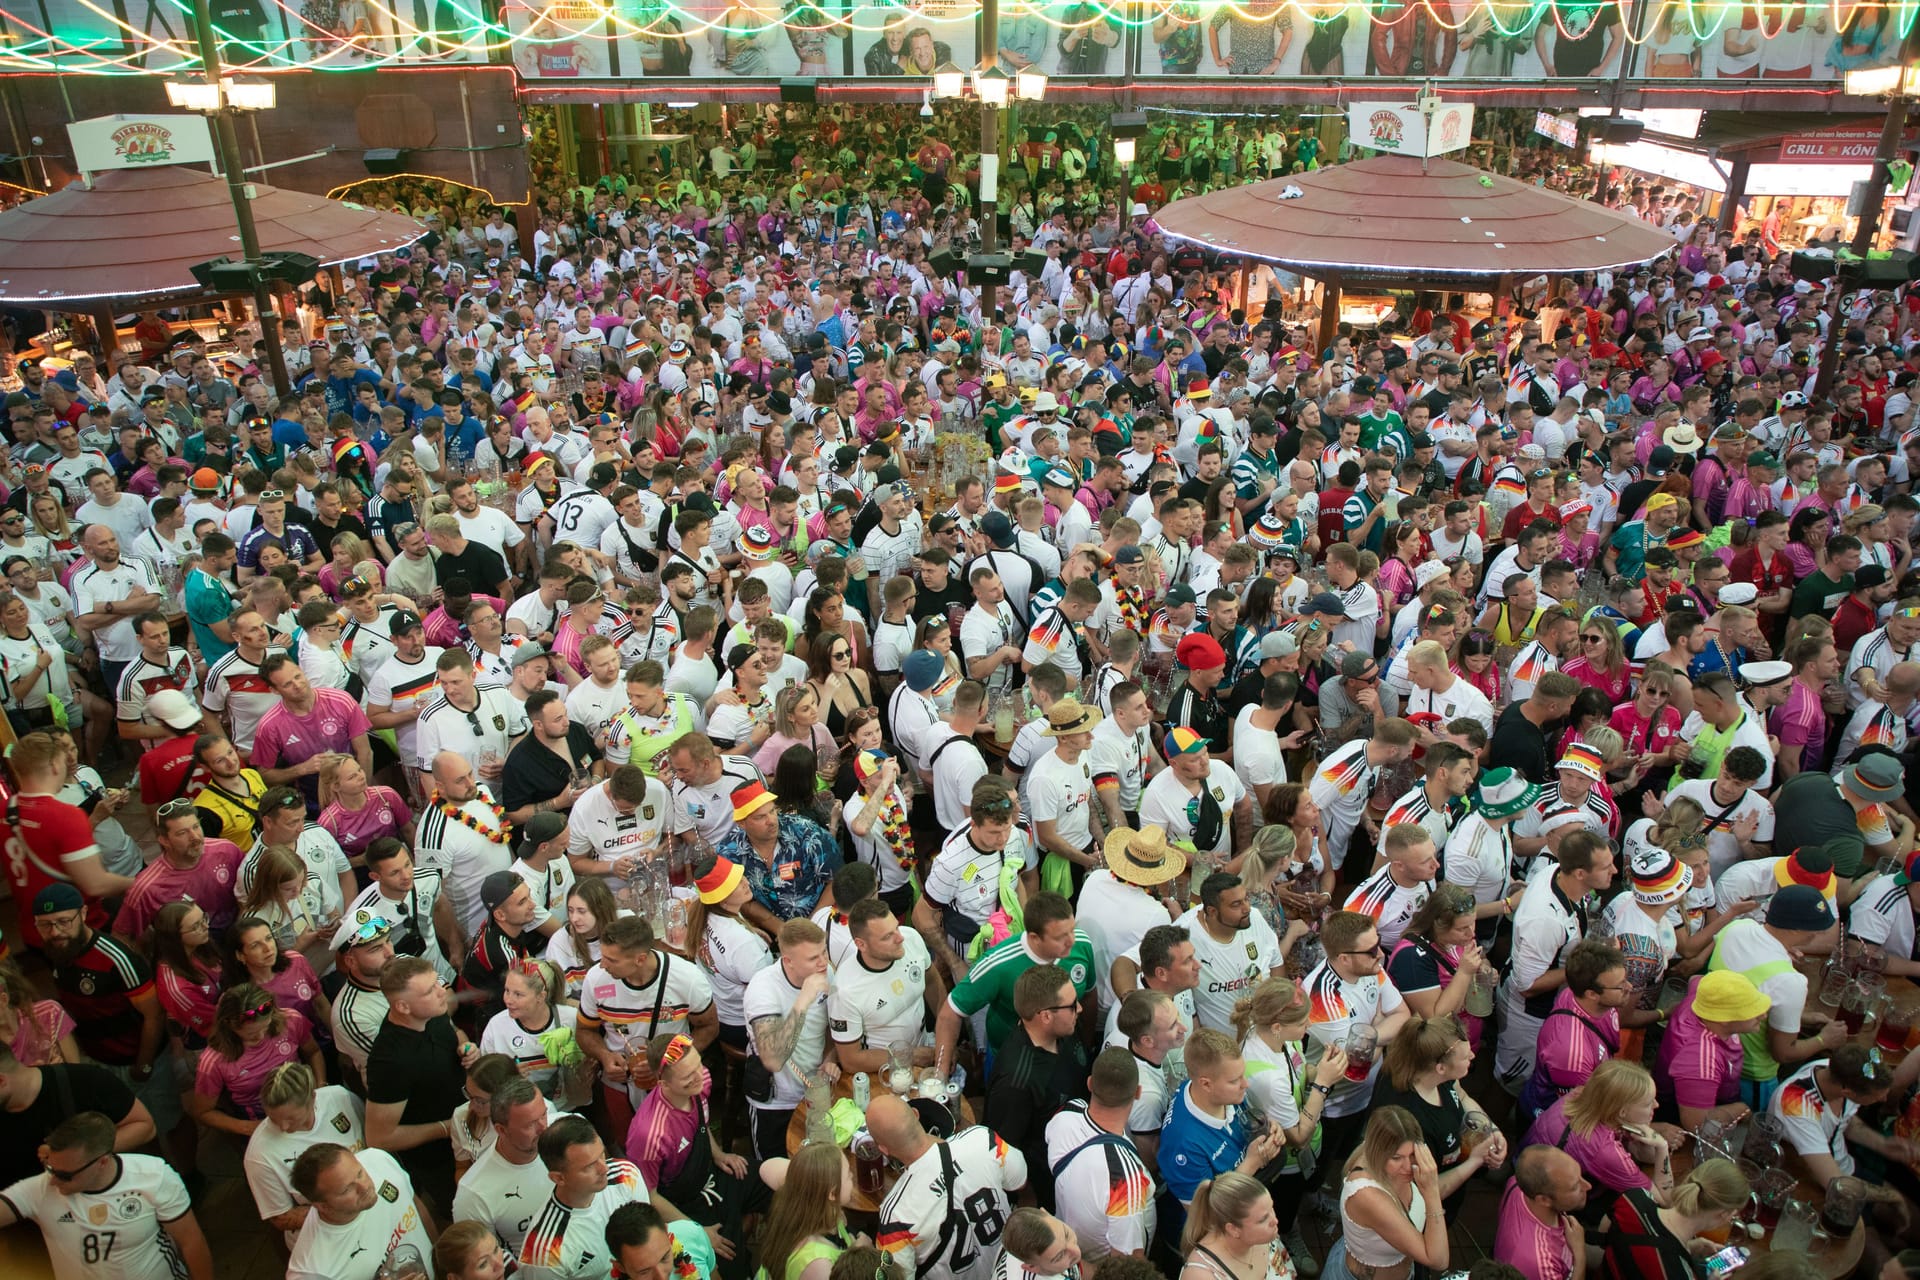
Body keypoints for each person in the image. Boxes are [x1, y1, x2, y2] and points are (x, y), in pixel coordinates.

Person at [0, 1110, 214, 1280]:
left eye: (66, 1175)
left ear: (102, 1162)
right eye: (50, 1169)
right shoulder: (40, 1188)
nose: (54, 1181)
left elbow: (190, 1241)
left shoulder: (153, 1176)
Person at [870, 1091, 1028, 1280]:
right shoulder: (982, 1140)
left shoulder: (896, 1215)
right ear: (915, 1114)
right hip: (1013, 1270)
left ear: (883, 1149)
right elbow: (1020, 1181)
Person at [364, 954, 476, 1217]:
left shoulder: (432, 1012)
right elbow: (379, 1137)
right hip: (439, 1160)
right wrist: (446, 1128)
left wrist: (465, 1046)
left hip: (469, 1132)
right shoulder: (390, 1061)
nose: (442, 992)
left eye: (437, 982)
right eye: (429, 991)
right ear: (402, 1006)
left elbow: (453, 1032)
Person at [1303, 909, 1411, 1173]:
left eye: (1378, 943)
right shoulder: (1322, 998)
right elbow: (1352, 1068)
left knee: (1348, 1155)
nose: (1381, 954)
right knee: (1321, 1167)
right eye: (1371, 950)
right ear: (1344, 958)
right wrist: (1379, 1029)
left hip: (1366, 1095)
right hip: (1332, 1106)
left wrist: (1370, 1037)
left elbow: (1403, 1014)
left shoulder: (1371, 967)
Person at [1373, 1014, 1508, 1209]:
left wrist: (1491, 1129)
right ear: (1441, 1067)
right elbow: (1421, 1189)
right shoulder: (1410, 1123)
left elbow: (1461, 1096)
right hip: (1429, 1210)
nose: (1472, 1056)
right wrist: (1475, 1161)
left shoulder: (1424, 1069)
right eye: (1465, 1056)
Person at [243, 1062, 367, 1244]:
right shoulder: (259, 1155)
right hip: (327, 1235)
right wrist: (342, 1208)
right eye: (273, 1118)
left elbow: (372, 1142)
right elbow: (281, 1217)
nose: (283, 1127)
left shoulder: (339, 1097)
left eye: (291, 1118)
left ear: (313, 1098)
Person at [516, 1114, 652, 1280]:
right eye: (589, 1166)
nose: (604, 1169)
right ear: (559, 1178)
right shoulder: (545, 1252)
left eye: (602, 1155)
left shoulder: (626, 1176)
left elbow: (649, 1239)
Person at [1524, 1059, 1675, 1207]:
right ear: (1622, 1112)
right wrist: (1662, 1146)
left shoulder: (1584, 1094)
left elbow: (1642, 1153)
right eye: (1649, 1103)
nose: (1656, 1105)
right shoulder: (1604, 1150)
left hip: (1528, 1170)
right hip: (1561, 1203)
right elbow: (1664, 1199)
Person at [743, 917, 833, 1163]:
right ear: (788, 961)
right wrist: (804, 999)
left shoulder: (827, 973)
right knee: (776, 1178)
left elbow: (831, 1026)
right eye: (813, 958)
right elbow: (772, 1059)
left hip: (816, 1095)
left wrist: (830, 1057)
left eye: (824, 952)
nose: (823, 962)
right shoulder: (762, 989)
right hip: (776, 1104)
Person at [1325, 1106, 1450, 1280]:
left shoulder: (1390, 1166)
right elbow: (1439, 1260)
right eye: (1396, 1158)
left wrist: (1474, 1161)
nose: (1408, 1167)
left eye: (1413, 1154)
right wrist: (1432, 1193)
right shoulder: (1367, 1194)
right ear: (1378, 1152)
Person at [1517, 939, 1630, 1125]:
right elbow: (1584, 1112)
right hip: (1554, 1124)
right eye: (1620, 986)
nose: (1629, 988)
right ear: (1591, 994)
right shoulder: (1571, 1053)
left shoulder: (1583, 994)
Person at [188, 983, 324, 1136]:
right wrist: (246, 1127)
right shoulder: (213, 1061)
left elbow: (313, 1052)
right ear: (229, 1026)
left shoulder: (291, 1020)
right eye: (251, 1035)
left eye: (265, 1028)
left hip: (304, 1101)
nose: (260, 1037)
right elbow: (203, 1111)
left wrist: (320, 1087)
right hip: (261, 1121)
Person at [285, 1143, 436, 1280]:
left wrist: (440, 1257)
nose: (365, 1187)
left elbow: (415, 1205)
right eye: (347, 1189)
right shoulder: (313, 1272)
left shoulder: (377, 1159)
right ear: (322, 1206)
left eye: (360, 1173)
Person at [450, 1075, 554, 1256]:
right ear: (501, 1130)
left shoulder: (568, 1136)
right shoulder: (474, 1195)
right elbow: (484, 1264)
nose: (544, 1127)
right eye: (530, 1124)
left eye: (544, 1114)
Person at [1599, 1157, 1749, 1280]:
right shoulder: (1680, 1273)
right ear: (1723, 1214)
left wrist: (1688, 1247)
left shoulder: (1634, 1198)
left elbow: (1603, 1234)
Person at [754, 1142, 858, 1280]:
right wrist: (857, 1253)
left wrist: (809, 1172)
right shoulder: (817, 1264)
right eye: (848, 1175)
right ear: (832, 1194)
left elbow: (765, 1168)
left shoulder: (801, 1197)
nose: (852, 1176)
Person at [1495, 1146, 1590, 1280]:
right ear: (1544, 1200)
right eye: (1574, 1187)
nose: (1587, 1186)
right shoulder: (1540, 1264)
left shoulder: (1518, 1182)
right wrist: (1579, 1254)